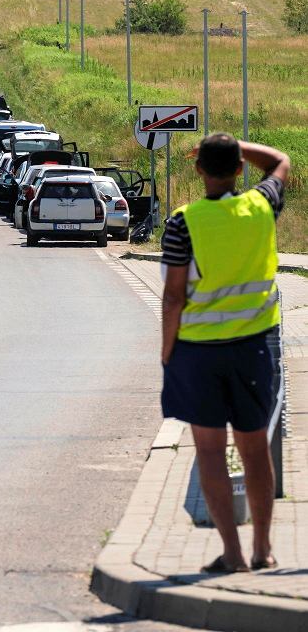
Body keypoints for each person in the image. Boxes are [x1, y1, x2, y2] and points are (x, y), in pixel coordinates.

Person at [161, 134, 290, 575]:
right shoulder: (261, 206)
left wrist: (167, 352)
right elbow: (280, 161)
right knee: (254, 450)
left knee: (211, 452)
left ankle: (232, 555)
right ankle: (263, 549)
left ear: (198, 170)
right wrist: (237, 145)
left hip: (198, 353)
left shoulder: (184, 222)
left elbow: (173, 297)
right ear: (239, 170)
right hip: (253, 348)